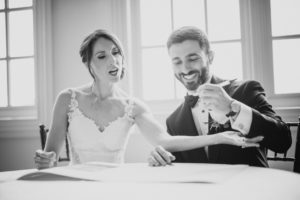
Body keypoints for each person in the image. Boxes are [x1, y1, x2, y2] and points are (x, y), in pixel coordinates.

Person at [34, 29, 262, 170]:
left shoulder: (133, 106)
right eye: (102, 56)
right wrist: (47, 160)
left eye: (116, 52)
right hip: (75, 187)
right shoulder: (67, 98)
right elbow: (50, 156)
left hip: (117, 188)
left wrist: (219, 138)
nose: (113, 61)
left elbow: (164, 141)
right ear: (89, 64)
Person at [148, 26, 292, 167]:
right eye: (177, 61)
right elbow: (178, 167)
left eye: (192, 58)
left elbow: (283, 142)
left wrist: (233, 108)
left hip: (251, 188)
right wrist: (161, 157)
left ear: (210, 57)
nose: (185, 69)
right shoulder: (173, 121)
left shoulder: (246, 90)